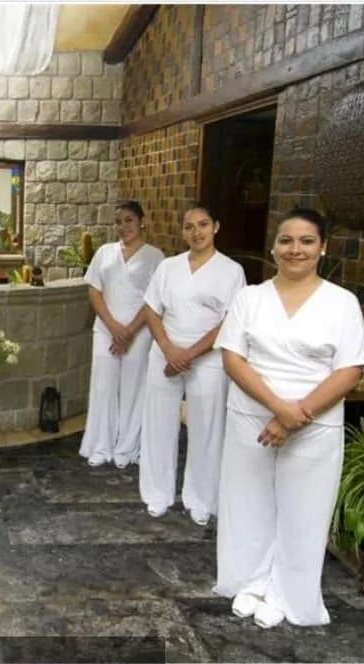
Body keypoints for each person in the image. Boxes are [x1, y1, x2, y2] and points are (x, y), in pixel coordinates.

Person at [213, 208, 364, 629]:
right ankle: (250, 580)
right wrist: (278, 408)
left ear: (323, 248)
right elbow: (233, 358)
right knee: (248, 502)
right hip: (251, 416)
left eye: (306, 241)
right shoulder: (250, 298)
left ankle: (288, 592)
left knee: (304, 510)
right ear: (274, 247)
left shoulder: (342, 303)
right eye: (286, 240)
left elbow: (351, 370)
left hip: (314, 423)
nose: (294, 249)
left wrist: (294, 416)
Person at [139, 203, 246, 525]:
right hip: (164, 354)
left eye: (203, 224)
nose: (196, 232)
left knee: (206, 429)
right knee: (158, 423)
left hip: (208, 359)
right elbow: (151, 310)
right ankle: (157, 493)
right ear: (183, 231)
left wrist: (188, 355)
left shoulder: (231, 271)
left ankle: (201, 498)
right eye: (189, 226)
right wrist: (169, 349)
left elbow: (229, 322)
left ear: (216, 227)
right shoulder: (168, 267)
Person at [79, 201, 164, 468]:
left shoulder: (155, 257)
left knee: (133, 388)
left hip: (139, 332)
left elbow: (154, 300)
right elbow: (94, 291)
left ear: (142, 221)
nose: (123, 226)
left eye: (129, 220)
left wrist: (129, 331)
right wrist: (114, 327)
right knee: (103, 386)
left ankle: (126, 447)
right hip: (106, 330)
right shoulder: (104, 252)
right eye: (118, 221)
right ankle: (101, 445)